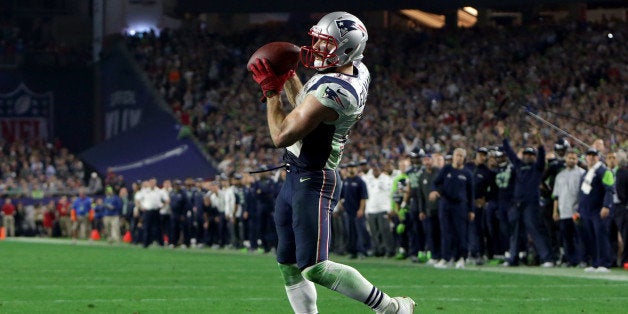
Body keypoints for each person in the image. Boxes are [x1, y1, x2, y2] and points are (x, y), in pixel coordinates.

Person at [249, 11, 415, 313]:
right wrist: (289, 76)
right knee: (287, 263)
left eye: (326, 44)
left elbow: (281, 134)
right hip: (295, 173)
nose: (318, 49)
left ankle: (391, 308)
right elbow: (307, 106)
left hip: (314, 178)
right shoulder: (352, 69)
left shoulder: (337, 91)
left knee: (315, 267)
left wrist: (271, 91)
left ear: (346, 50)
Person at [498, 125, 555, 267]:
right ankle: (513, 258)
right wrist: (503, 137)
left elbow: (542, 152)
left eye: (531, 155)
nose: (528, 156)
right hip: (518, 203)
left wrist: (537, 137)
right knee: (515, 232)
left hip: (531, 203)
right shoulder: (518, 165)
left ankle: (547, 258)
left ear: (534, 157)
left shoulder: (538, 167)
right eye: (526, 154)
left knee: (535, 230)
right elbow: (510, 152)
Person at [430, 148, 475, 269]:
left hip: (461, 206)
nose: (458, 157)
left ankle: (461, 258)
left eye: (461, 155)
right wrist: (434, 191)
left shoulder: (467, 173)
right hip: (445, 204)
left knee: (461, 233)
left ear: (464, 158)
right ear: (453, 156)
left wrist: (471, 210)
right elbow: (436, 182)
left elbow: (471, 193)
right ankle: (446, 258)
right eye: (457, 155)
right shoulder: (446, 169)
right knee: (445, 232)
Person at [579, 148, 615, 272]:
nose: (591, 158)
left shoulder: (604, 171)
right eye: (589, 155)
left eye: (594, 155)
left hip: (599, 210)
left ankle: (604, 263)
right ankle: (595, 262)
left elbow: (609, 190)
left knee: (601, 236)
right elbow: (582, 194)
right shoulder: (586, 173)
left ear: (598, 157)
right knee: (591, 237)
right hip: (587, 211)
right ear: (585, 158)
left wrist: (606, 206)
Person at [552, 150, 586, 266]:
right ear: (566, 159)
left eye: (574, 158)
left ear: (577, 160)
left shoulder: (582, 173)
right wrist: (555, 211)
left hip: (576, 211)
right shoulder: (560, 175)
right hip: (564, 211)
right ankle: (571, 260)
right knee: (567, 237)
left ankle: (581, 259)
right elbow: (556, 195)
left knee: (579, 236)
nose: (571, 160)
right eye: (569, 158)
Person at [340, 162, 369, 259]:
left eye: (353, 167)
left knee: (359, 231)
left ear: (356, 169)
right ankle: (353, 251)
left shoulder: (360, 181)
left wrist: (361, 209)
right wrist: (341, 204)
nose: (351, 169)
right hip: (348, 211)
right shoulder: (346, 181)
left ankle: (362, 251)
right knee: (351, 232)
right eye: (349, 167)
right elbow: (341, 195)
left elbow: (363, 197)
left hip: (357, 211)